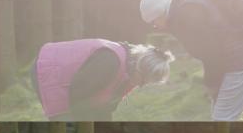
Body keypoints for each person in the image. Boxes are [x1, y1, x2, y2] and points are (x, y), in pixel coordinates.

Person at [139, 0, 243, 121]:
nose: (156, 27)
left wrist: (212, 85)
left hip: (241, 64)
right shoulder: (185, 6)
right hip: (239, 61)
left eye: (154, 23)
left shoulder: (185, 16)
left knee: (222, 120)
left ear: (160, 13)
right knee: (221, 118)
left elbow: (212, 54)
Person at [33, 39, 175, 121]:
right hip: (49, 69)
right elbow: (76, 95)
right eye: (143, 81)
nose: (141, 85)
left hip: (75, 90)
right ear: (139, 67)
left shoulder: (127, 75)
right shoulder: (109, 62)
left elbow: (106, 108)